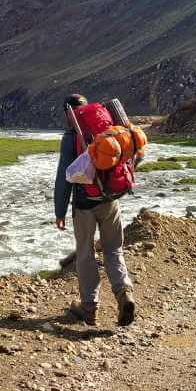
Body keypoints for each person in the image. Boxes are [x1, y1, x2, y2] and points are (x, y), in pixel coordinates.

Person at [54, 94, 136, 327]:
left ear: (68, 112)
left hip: (84, 205)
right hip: (110, 200)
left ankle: (89, 308)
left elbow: (64, 177)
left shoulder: (72, 137)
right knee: (114, 250)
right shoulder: (109, 130)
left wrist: (60, 211)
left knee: (85, 254)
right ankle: (124, 294)